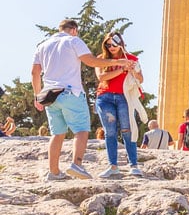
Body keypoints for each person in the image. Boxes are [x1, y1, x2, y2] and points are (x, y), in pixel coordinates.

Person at [31, 19, 133, 180]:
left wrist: (37, 96)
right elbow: (91, 61)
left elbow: (35, 73)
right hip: (70, 92)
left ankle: (54, 172)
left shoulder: (42, 46)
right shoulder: (73, 41)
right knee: (81, 130)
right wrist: (117, 62)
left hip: (49, 95)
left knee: (57, 134)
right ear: (74, 30)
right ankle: (77, 165)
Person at [94, 31, 144, 178]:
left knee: (127, 130)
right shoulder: (101, 59)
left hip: (125, 97)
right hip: (105, 97)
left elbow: (141, 79)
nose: (111, 47)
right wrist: (122, 69)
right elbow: (102, 77)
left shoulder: (132, 59)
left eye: (114, 44)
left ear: (120, 43)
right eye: (108, 45)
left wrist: (132, 70)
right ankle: (113, 166)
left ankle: (133, 165)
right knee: (110, 132)